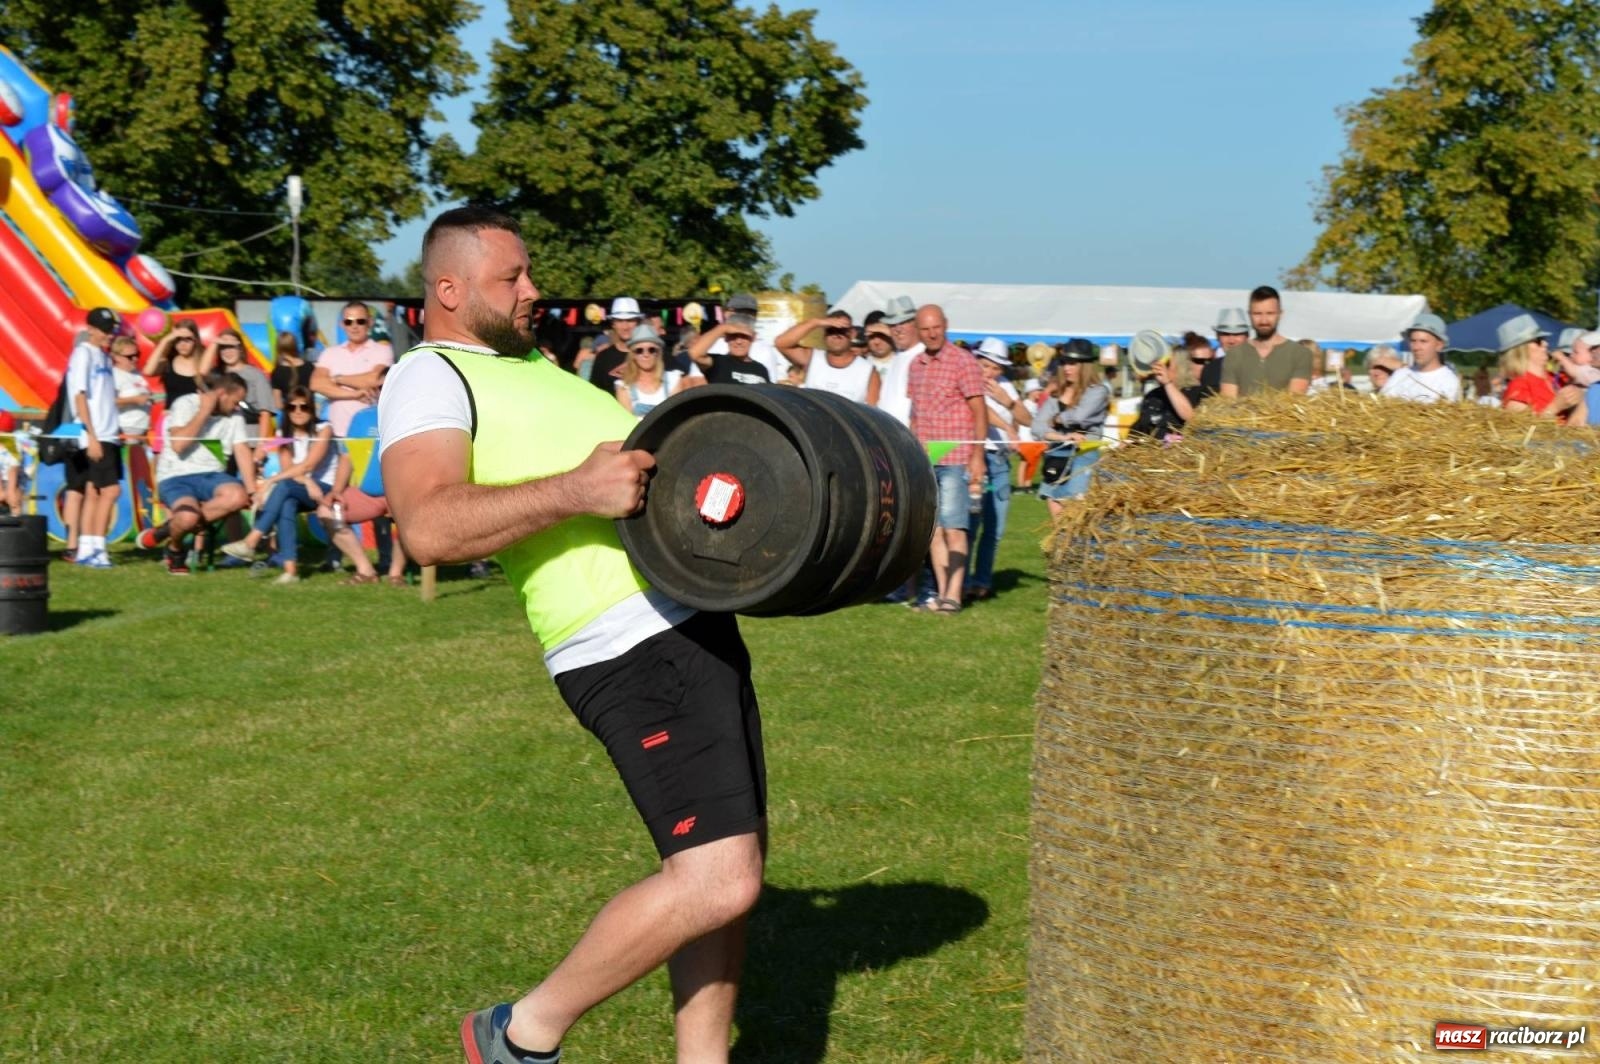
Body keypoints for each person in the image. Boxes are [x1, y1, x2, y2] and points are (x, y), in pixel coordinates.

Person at [378, 206, 766, 1063]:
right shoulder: (429, 376)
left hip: (691, 623)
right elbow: (428, 527)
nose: (532, 290)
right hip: (623, 645)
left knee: (726, 879)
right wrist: (575, 490)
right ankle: (519, 1033)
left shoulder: (544, 372)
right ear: (448, 289)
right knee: (717, 878)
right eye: (511, 277)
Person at [906, 304, 987, 614]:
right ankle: (942, 593)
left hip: (956, 455)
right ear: (918, 330)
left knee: (955, 527)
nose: (932, 333)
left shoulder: (963, 362)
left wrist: (977, 454)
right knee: (933, 531)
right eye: (925, 329)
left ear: (945, 325)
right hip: (926, 458)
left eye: (936, 327)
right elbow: (916, 412)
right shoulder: (915, 365)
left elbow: (979, 410)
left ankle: (954, 594)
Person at [141, 372, 258, 575]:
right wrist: (204, 411)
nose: (237, 407)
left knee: (237, 496)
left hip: (211, 475)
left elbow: (242, 450)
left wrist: (252, 490)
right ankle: (175, 548)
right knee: (187, 517)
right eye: (235, 401)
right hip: (174, 475)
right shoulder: (186, 403)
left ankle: (167, 529)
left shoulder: (235, 415)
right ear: (221, 394)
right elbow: (178, 445)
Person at [220, 387, 338, 584]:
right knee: (287, 501)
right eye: (292, 407)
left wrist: (270, 481)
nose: (298, 411)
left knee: (282, 487)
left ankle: (252, 541)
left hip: (326, 487)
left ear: (312, 409)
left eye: (304, 406)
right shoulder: (284, 434)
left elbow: (309, 464)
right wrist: (307, 480)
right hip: (302, 487)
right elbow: (291, 472)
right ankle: (290, 571)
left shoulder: (324, 428)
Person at [65, 308, 125, 568]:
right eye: (103, 329)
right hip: (96, 433)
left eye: (111, 330)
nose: (108, 335)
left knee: (93, 491)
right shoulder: (83, 354)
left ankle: (87, 548)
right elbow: (79, 395)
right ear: (90, 328)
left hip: (107, 433)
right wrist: (90, 436)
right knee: (111, 490)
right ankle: (98, 547)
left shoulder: (104, 357)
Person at [966, 338, 1025, 602]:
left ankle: (982, 581)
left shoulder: (1006, 386)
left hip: (1000, 461)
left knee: (995, 528)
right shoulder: (969, 380)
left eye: (995, 368)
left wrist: (1010, 402)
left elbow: (1028, 419)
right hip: (978, 458)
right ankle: (963, 581)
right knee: (970, 524)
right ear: (976, 361)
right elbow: (981, 411)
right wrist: (1008, 427)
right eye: (985, 365)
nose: (989, 372)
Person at [1032, 343, 1110, 520]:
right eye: (1064, 362)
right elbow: (1037, 428)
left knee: (1077, 527)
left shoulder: (1098, 391)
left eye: (1073, 363)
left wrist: (1055, 419)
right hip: (1057, 459)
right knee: (1058, 530)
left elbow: (1080, 417)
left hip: (1084, 459)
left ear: (1085, 366)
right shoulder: (1055, 395)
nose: (1067, 368)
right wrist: (1063, 436)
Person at [311, 301, 395, 436]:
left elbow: (373, 379)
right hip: (337, 434)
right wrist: (355, 394)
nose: (354, 326)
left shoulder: (383, 350)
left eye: (360, 321)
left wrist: (336, 379)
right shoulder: (330, 353)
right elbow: (316, 383)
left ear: (370, 322)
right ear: (342, 324)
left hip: (370, 433)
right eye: (349, 322)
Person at [1219, 287, 1314, 397]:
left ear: (1280, 314)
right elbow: (1228, 400)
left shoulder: (1300, 354)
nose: (1264, 320)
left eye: (1270, 313)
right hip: (1242, 414)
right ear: (1249, 314)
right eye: (1257, 314)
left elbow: (1294, 400)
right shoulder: (1234, 355)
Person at [772, 309, 880, 404]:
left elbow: (872, 412)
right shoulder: (812, 358)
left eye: (842, 330)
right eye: (831, 330)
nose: (836, 335)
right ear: (824, 334)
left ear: (852, 334)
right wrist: (816, 322)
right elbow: (781, 343)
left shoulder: (868, 370)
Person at [1496, 313, 1583, 419]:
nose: (1545, 344)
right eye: (1538, 341)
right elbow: (1523, 432)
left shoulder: (1555, 378)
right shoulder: (1518, 388)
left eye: (1544, 339)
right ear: (1521, 350)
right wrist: (1555, 407)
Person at [1129, 343, 1204, 441]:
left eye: (1167, 364)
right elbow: (1139, 430)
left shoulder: (1195, 392)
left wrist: (1168, 383)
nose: (1161, 367)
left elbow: (1191, 417)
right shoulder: (1152, 395)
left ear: (1181, 367)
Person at [1381, 313, 1461, 403]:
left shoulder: (1448, 381)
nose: (1416, 347)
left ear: (1439, 345)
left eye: (1423, 341)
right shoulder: (1401, 375)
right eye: (1413, 341)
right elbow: (1382, 404)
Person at [212, 328, 275, 441]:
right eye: (223, 347)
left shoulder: (255, 374)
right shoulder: (215, 374)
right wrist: (214, 343)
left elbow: (265, 412)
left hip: (248, 437)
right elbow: (200, 372)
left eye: (232, 347)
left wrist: (261, 445)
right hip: (222, 437)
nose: (228, 352)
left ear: (240, 349)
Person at [615, 324, 691, 416]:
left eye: (651, 350)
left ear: (658, 353)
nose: (646, 354)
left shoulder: (673, 380)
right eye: (639, 350)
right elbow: (627, 423)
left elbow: (675, 416)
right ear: (633, 355)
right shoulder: (623, 386)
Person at [876, 295, 922, 426]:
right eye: (892, 325)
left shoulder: (923, 356)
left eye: (903, 322)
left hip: (910, 437)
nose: (898, 329)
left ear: (915, 323)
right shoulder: (897, 356)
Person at [586, 297, 647, 394]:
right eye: (620, 320)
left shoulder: (652, 354)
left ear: (638, 322)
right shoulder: (603, 357)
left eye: (630, 320)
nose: (625, 326)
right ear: (613, 324)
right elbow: (594, 394)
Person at [142, 317, 211, 402]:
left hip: (198, 413)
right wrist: (165, 341)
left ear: (195, 340)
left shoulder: (203, 362)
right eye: (178, 339)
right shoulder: (168, 362)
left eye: (188, 339)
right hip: (173, 414)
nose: (182, 344)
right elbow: (148, 371)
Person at [688, 314, 771, 384]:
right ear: (726, 337)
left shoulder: (761, 369)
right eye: (733, 336)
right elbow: (694, 353)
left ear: (753, 337)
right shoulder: (717, 363)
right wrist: (723, 328)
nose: (738, 341)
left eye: (744, 336)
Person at [111, 335, 153, 443]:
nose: (135, 359)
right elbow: (108, 402)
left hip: (143, 431)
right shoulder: (114, 375)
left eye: (137, 355)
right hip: (125, 431)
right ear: (117, 357)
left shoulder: (137, 373)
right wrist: (135, 400)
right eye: (130, 357)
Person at [269, 333, 314, 410]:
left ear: (278, 348)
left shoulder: (277, 372)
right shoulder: (309, 367)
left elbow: (278, 404)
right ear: (295, 346)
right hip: (308, 412)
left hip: (290, 414)